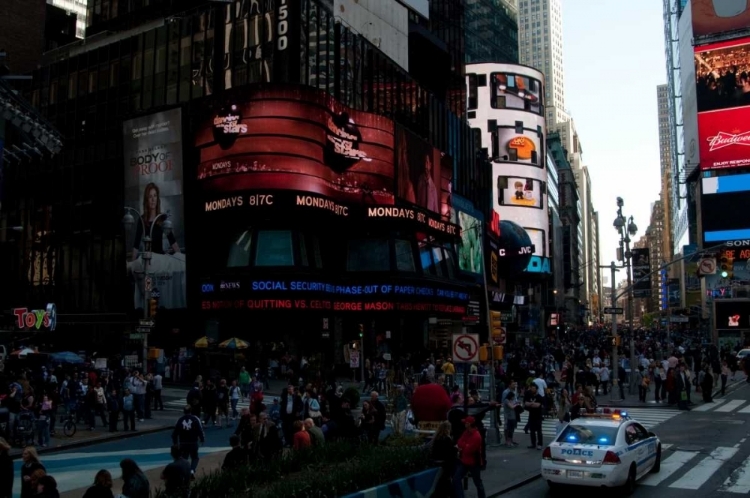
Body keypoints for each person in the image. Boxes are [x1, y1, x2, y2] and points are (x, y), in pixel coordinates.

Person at [453, 416, 485, 498]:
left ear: (469, 424)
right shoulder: (467, 432)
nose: (464, 424)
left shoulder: (476, 436)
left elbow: (468, 450)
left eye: (465, 423)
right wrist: (465, 445)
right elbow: (459, 441)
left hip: (474, 462)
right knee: (456, 478)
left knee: (477, 482)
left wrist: (462, 446)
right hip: (465, 460)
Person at [172, 405, 206, 475]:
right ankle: (192, 470)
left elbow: (175, 433)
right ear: (191, 411)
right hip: (193, 442)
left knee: (184, 458)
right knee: (195, 457)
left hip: (183, 443)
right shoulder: (195, 419)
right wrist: (202, 439)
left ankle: (184, 472)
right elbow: (200, 430)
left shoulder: (180, 420)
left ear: (184, 411)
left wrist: (175, 443)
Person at [430, 421, 456, 498]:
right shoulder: (447, 439)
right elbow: (450, 453)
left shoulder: (436, 438)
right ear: (447, 429)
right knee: (446, 480)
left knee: (441, 481)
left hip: (436, 462)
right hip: (445, 464)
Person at [524, 384, 544, 450]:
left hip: (538, 416)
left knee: (539, 431)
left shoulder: (539, 397)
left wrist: (531, 404)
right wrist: (531, 404)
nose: (532, 389)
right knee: (532, 431)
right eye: (532, 388)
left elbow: (538, 405)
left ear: (536, 389)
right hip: (531, 415)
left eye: (534, 388)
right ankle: (533, 443)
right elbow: (526, 403)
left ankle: (540, 444)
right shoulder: (529, 396)